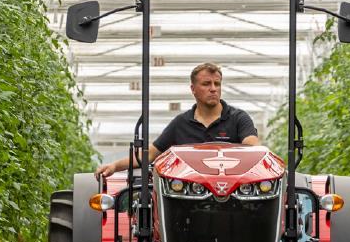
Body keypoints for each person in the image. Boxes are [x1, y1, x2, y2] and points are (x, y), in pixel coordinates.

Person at [95, 62, 260, 178]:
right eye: (206, 84)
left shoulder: (238, 118)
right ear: (193, 89)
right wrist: (115, 166)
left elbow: (253, 149)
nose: (213, 89)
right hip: (189, 196)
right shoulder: (181, 123)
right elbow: (150, 153)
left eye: (217, 84)